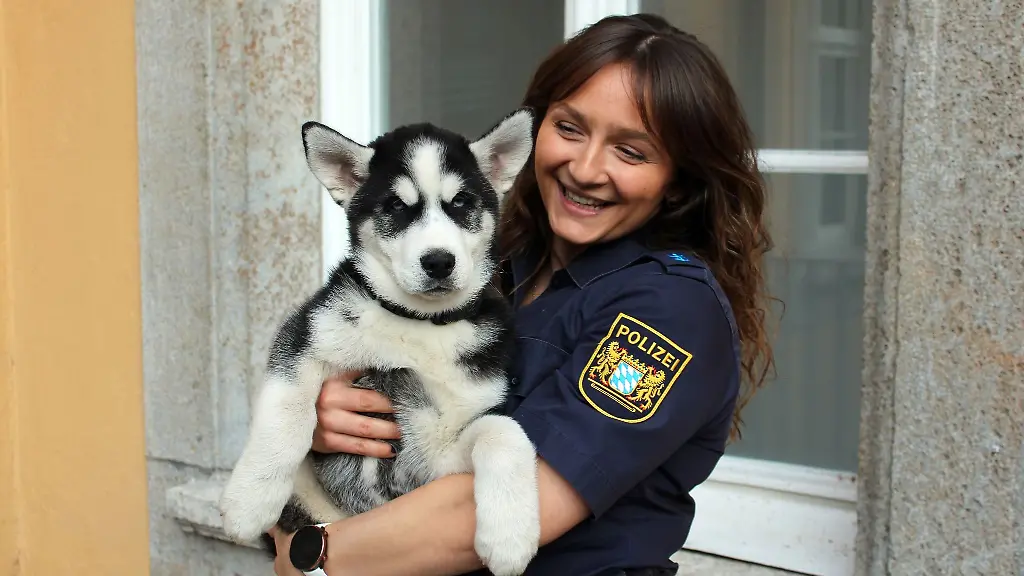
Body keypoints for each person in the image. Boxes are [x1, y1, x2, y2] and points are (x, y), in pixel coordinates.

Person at [269, 13, 775, 576]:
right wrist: (327, 418)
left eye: (630, 152)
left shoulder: (669, 310)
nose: (585, 169)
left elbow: (511, 502)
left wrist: (312, 557)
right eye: (570, 128)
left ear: (677, 179)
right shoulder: (491, 265)